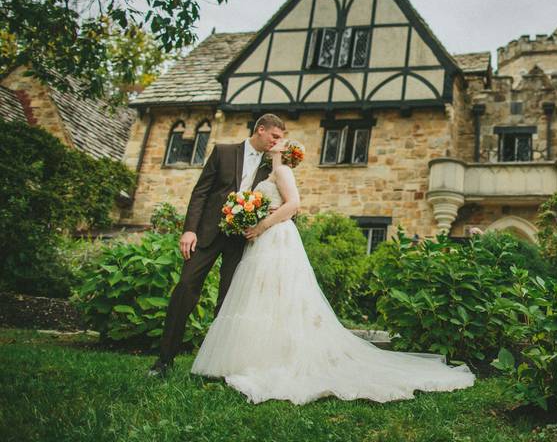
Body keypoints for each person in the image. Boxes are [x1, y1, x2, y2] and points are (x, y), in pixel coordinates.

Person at [189, 138, 475, 404]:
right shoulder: (269, 174)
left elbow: (294, 205)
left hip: (276, 236)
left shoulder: (284, 172)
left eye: (279, 140)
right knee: (261, 294)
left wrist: (262, 225)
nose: (274, 142)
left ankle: (278, 359)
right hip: (262, 240)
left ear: (284, 151)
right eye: (273, 137)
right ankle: (252, 357)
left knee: (282, 294)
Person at [147, 114, 285, 377]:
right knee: (186, 289)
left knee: (229, 301)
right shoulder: (223, 152)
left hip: (242, 241)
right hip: (208, 234)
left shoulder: (271, 168)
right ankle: (164, 360)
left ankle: (218, 365)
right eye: (274, 137)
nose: (277, 142)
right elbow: (201, 192)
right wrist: (189, 230)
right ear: (261, 130)